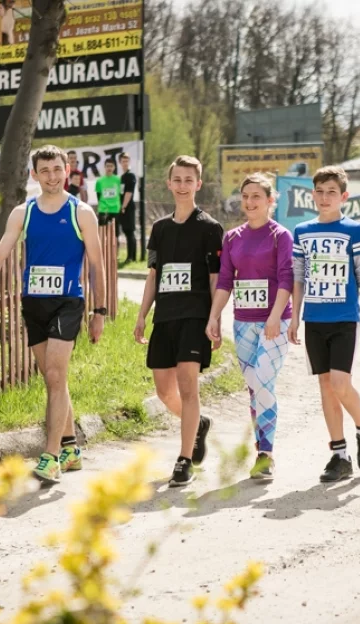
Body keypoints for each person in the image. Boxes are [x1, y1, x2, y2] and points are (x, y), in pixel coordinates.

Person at [0, 144, 107, 485]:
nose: (51, 176)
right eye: (44, 171)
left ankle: (51, 456)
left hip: (67, 303)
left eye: (57, 170)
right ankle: (72, 447)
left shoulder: (81, 212)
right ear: (34, 175)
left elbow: (96, 265)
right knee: (52, 378)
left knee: (56, 375)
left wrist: (99, 312)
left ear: (67, 170)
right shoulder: (24, 212)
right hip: (33, 303)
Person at [134, 155, 224, 487]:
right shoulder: (159, 229)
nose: (183, 186)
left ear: (198, 184)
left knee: (188, 385)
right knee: (163, 391)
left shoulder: (210, 228)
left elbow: (217, 279)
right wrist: (142, 315)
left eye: (190, 180)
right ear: (169, 184)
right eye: (178, 180)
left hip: (195, 316)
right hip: (165, 317)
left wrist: (215, 318)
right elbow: (153, 276)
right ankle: (197, 424)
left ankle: (184, 459)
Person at [288, 166, 360, 483]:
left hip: (344, 320)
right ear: (312, 195)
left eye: (331, 192)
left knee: (340, 383)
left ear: (343, 197)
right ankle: (339, 455)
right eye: (319, 192)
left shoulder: (355, 232)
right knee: (325, 386)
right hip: (314, 320)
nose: (325, 198)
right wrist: (295, 316)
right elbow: (298, 277)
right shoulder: (302, 232)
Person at [205, 173, 293, 481]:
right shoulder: (232, 238)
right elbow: (226, 281)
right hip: (243, 323)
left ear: (270, 201)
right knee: (254, 387)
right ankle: (262, 449)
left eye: (257, 196)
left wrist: (274, 316)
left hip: (275, 322)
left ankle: (266, 453)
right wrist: (214, 316)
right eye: (245, 196)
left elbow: (286, 278)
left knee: (263, 381)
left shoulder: (280, 235)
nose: (249, 202)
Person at [118, 152, 138, 265]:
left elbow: (129, 192)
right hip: (122, 207)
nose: (125, 163)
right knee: (126, 231)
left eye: (127, 161)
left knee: (130, 232)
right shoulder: (122, 177)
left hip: (128, 207)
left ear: (129, 162)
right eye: (123, 161)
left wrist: (124, 206)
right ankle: (130, 256)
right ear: (120, 162)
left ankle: (132, 257)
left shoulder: (130, 176)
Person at [94, 158, 122, 228]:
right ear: (105, 167)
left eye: (111, 166)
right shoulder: (100, 181)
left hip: (115, 209)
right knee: (102, 231)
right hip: (103, 209)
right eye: (107, 166)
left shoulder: (118, 180)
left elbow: (121, 194)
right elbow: (98, 195)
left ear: (114, 167)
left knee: (115, 233)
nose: (109, 168)